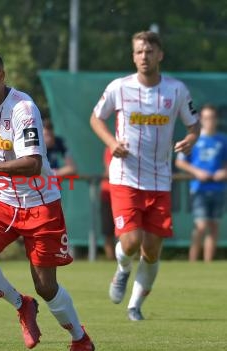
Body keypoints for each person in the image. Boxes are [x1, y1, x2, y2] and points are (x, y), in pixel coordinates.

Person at [0, 50, 95, 351]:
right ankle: (21, 304)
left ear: (1, 76)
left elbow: (32, 164)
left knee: (46, 286)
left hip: (39, 201)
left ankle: (80, 339)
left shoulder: (24, 109)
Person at [90, 31, 200, 321]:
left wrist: (191, 138)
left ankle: (134, 306)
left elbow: (194, 125)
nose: (144, 57)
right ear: (133, 56)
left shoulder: (176, 90)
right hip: (125, 177)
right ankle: (123, 269)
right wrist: (112, 144)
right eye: (139, 52)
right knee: (131, 242)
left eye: (149, 51)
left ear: (159, 55)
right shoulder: (120, 87)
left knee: (151, 250)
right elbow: (96, 118)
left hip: (161, 180)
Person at [175, 104, 227, 262]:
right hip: (199, 188)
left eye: (212, 118)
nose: (209, 121)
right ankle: (193, 261)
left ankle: (208, 263)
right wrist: (197, 172)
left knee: (213, 226)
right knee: (201, 225)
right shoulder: (194, 139)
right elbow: (180, 162)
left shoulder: (223, 140)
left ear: (216, 119)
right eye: (205, 118)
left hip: (218, 188)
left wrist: (224, 172)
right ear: (201, 120)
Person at [99, 146, 116, 260]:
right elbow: (110, 170)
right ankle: (111, 260)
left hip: (128, 194)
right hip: (108, 195)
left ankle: (129, 260)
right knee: (108, 231)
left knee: (131, 231)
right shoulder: (111, 148)